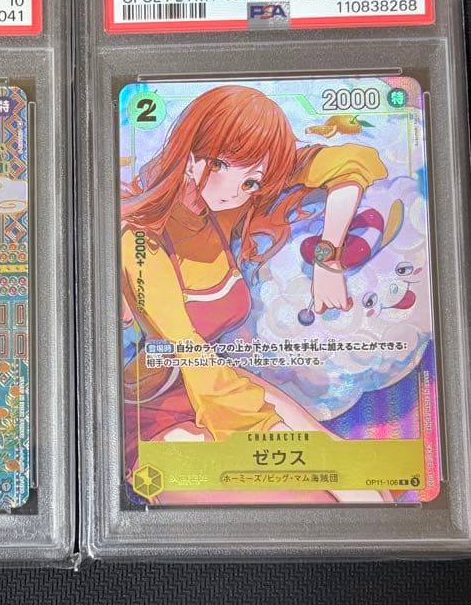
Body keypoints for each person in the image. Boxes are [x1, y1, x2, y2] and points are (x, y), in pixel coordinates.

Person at [121, 85, 388, 503]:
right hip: (151, 409)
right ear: (191, 153)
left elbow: (353, 160)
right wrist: (271, 436)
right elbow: (187, 347)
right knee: (314, 506)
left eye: (252, 181)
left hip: (221, 382)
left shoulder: (227, 210)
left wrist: (328, 256)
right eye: (222, 164)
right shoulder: (140, 238)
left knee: (368, 490)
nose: (235, 189)